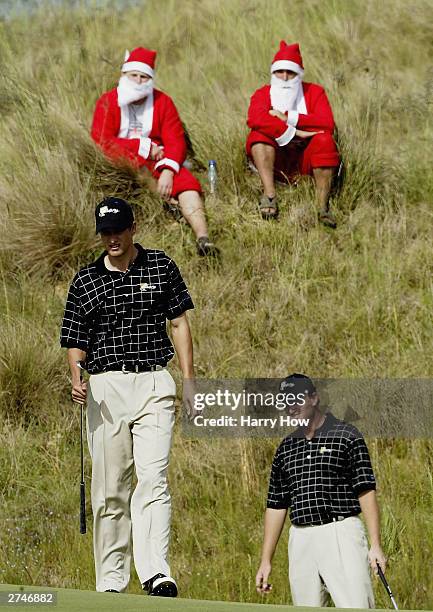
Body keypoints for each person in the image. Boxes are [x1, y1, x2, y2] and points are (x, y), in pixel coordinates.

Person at [60, 196, 195, 596]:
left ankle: (155, 573)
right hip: (105, 389)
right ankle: (112, 581)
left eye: (118, 230)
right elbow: (74, 340)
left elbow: (179, 322)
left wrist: (189, 380)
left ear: (133, 227)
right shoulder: (86, 280)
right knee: (110, 489)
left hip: (153, 381)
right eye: (105, 232)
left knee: (154, 479)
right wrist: (75, 375)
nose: (112, 238)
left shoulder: (161, 265)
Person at [256, 373, 386, 608]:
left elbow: (365, 490)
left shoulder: (347, 435)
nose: (291, 407)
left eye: (296, 399)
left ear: (314, 398)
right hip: (301, 539)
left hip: (341, 532)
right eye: (285, 402)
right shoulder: (285, 448)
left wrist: (375, 544)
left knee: (355, 606)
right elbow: (276, 504)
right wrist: (266, 560)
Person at [91, 47, 218, 256]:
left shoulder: (163, 102)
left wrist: (168, 170)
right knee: (138, 168)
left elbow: (176, 140)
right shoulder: (107, 101)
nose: (139, 81)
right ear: (124, 75)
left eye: (144, 77)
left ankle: (203, 237)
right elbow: (102, 141)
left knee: (187, 185)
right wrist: (142, 147)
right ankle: (167, 205)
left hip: (161, 160)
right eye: (134, 76)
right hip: (123, 159)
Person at [246, 42, 340, 226]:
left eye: (291, 72)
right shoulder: (263, 93)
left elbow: (327, 123)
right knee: (258, 137)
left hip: (305, 160)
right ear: (273, 73)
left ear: (299, 74)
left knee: (325, 140)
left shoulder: (314, 92)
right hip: (276, 160)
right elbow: (255, 119)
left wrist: (287, 117)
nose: (285, 77)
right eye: (280, 71)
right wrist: (293, 131)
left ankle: (322, 206)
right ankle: (270, 194)